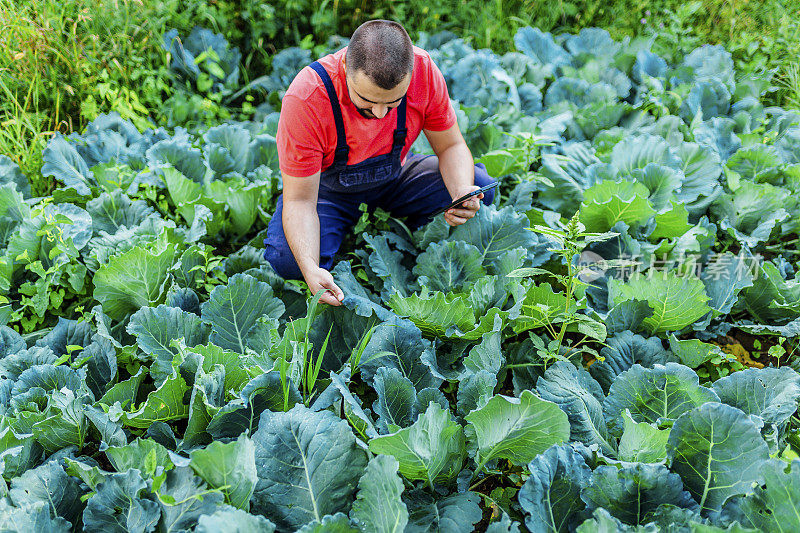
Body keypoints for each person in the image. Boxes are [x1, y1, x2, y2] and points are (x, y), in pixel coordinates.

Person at [263, 19, 496, 306]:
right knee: (289, 259)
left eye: (393, 102)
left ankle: (403, 219)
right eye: (367, 100)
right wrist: (310, 268)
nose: (380, 113)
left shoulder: (424, 71)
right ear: (346, 66)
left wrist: (461, 189)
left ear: (411, 75)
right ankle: (337, 236)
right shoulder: (308, 96)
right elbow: (299, 200)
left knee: (480, 188)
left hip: (396, 177)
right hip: (327, 191)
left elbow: (451, 145)